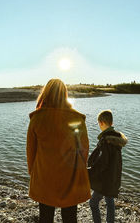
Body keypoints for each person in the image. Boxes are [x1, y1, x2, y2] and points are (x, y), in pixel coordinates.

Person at [27, 78, 91, 223]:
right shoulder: (77, 118)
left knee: (45, 218)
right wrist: (79, 174)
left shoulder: (37, 119)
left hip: (44, 177)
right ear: (65, 94)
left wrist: (33, 174)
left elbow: (31, 152)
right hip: (70, 177)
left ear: (46, 94)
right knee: (70, 218)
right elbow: (84, 151)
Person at [88, 110, 128, 223]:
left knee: (93, 202)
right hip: (113, 177)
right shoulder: (116, 139)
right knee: (109, 201)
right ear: (111, 122)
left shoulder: (106, 140)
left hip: (105, 180)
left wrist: (89, 173)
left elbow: (102, 163)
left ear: (101, 122)